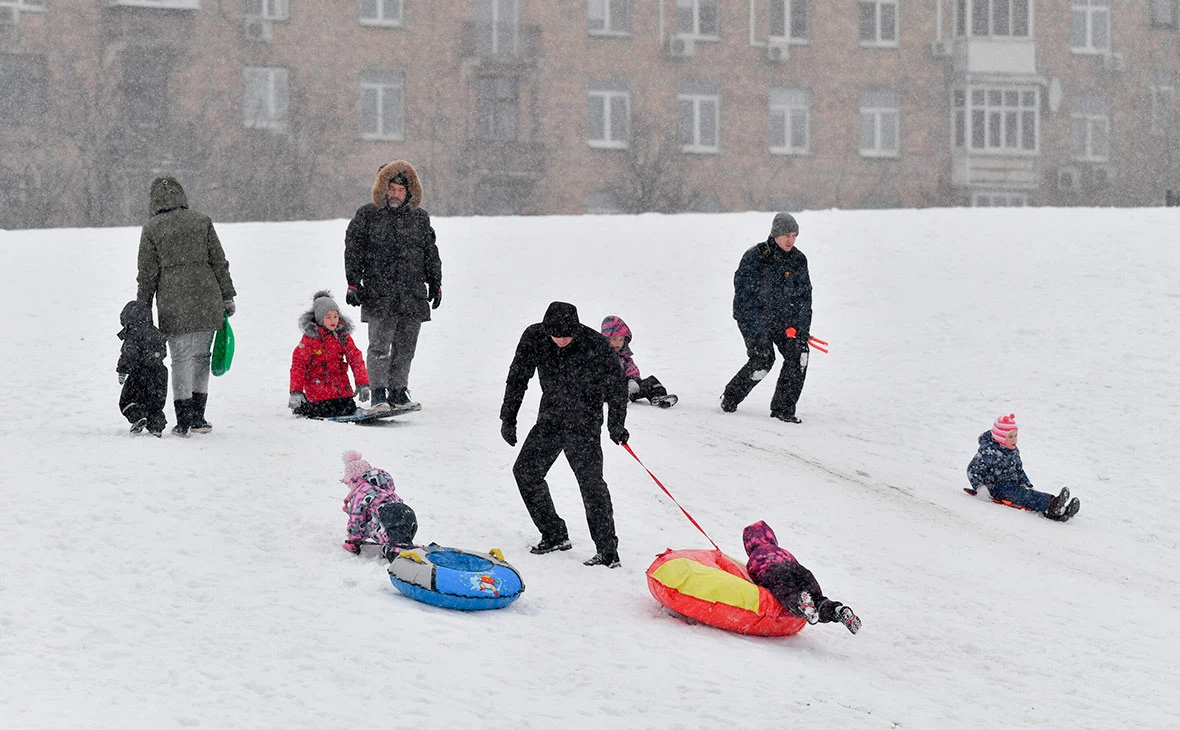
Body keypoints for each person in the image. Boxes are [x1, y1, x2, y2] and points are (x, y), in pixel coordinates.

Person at [500, 301, 630, 568]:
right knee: (526, 472)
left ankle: (607, 552)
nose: (560, 341)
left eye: (566, 337)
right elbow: (517, 377)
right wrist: (508, 417)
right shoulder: (534, 337)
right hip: (551, 418)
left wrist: (615, 424)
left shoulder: (595, 345)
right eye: (555, 336)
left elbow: (617, 387)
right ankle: (554, 534)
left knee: (591, 484)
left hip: (584, 422)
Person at [135, 176, 236, 437]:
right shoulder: (202, 221)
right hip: (206, 296)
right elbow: (219, 261)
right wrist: (227, 295)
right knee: (202, 357)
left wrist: (142, 308)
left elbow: (147, 274)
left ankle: (184, 420)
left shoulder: (152, 228)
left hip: (173, 299)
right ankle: (199, 416)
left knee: (180, 359)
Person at [344, 160, 442, 413]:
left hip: (412, 294)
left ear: (409, 191)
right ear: (382, 189)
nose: (395, 194)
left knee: (406, 347)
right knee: (379, 347)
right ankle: (378, 393)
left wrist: (436, 283)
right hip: (379, 293)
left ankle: (398, 391)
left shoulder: (419, 218)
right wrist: (353, 283)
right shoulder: (367, 215)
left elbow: (430, 252)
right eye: (391, 188)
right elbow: (353, 251)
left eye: (400, 189)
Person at [722, 212, 812, 423]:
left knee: (799, 353)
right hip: (753, 318)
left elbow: (804, 298)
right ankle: (731, 396)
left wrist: (801, 328)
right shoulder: (755, 256)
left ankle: (783, 409)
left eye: (794, 235)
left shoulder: (798, 260)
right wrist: (758, 322)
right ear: (775, 235)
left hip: (784, 322)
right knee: (763, 359)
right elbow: (743, 295)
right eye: (786, 235)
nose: (790, 240)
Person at [743, 520, 861, 634]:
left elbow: (756, 577)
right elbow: (794, 563)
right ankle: (835, 610)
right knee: (816, 598)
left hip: (774, 572)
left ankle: (800, 604)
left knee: (786, 593)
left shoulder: (754, 558)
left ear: (748, 545)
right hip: (798, 570)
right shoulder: (783, 551)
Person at [967, 414, 1081, 521]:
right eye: (1010, 437)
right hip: (995, 487)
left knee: (1027, 493)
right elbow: (972, 470)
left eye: (1016, 436)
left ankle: (1062, 509)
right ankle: (1052, 506)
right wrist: (981, 488)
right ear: (1000, 438)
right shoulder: (989, 452)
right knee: (1024, 496)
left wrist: (1028, 484)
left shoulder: (1013, 450)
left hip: (1012, 484)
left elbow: (1019, 470)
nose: (1014, 439)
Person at [288, 291, 371, 419]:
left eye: (335, 316)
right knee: (323, 410)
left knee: (347, 408)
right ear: (320, 319)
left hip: (341, 390)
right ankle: (302, 406)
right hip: (318, 391)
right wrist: (296, 392)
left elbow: (355, 359)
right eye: (328, 317)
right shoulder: (310, 339)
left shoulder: (342, 337)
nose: (333, 320)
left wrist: (362, 383)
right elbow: (298, 365)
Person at [340, 450, 419, 561]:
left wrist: (354, 540)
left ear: (353, 480)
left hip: (388, 514)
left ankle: (398, 556)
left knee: (378, 529)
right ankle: (405, 548)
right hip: (407, 513)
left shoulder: (360, 492)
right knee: (400, 538)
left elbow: (356, 518)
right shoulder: (382, 487)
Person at [116, 300, 169, 437]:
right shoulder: (156, 332)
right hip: (159, 374)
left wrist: (122, 370)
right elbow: (162, 352)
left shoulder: (132, 335)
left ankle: (138, 417)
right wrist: (154, 357)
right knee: (155, 405)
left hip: (138, 374)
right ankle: (156, 425)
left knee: (127, 401)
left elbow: (129, 355)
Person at [600, 315, 678, 408]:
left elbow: (631, 368)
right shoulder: (601, 355)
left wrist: (633, 379)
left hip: (629, 389)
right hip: (609, 390)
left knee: (651, 382)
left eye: (621, 339)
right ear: (606, 338)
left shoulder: (624, 356)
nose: (618, 343)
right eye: (614, 339)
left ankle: (658, 397)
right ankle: (620, 399)